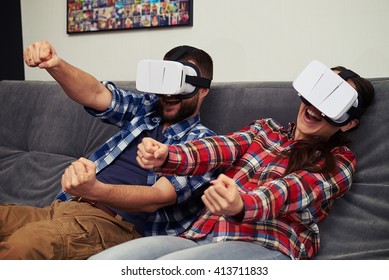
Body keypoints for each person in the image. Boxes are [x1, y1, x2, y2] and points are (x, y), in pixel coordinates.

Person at [90, 63, 375, 260]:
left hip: (266, 245)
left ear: (348, 124)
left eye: (331, 105)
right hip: (200, 235)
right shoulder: (266, 129)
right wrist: (168, 155)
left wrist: (241, 205)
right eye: (317, 93)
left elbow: (291, 189)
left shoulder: (339, 161)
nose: (315, 108)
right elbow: (220, 147)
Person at [0, 41, 218, 259]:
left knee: (26, 245)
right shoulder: (146, 110)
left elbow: (157, 196)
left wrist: (95, 190)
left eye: (179, 85)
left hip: (113, 225)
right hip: (63, 207)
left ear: (203, 89)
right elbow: (95, 93)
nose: (170, 94)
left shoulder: (203, 143)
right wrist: (54, 64)